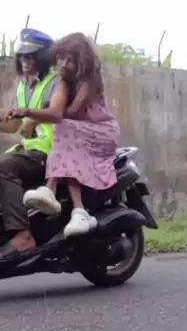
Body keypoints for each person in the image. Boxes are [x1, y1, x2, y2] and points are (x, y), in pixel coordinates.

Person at [22, 31, 120, 239]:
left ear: (81, 62)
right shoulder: (63, 80)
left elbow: (73, 111)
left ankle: (57, 193)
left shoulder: (90, 79)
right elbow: (57, 111)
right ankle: (74, 207)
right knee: (68, 144)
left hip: (100, 130)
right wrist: (48, 113)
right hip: (76, 132)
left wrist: (37, 116)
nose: (64, 64)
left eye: (70, 60)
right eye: (60, 58)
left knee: (64, 126)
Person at [0, 28, 61, 263]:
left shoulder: (55, 83)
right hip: (29, 149)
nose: (26, 60)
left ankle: (23, 235)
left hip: (51, 152)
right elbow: (15, 126)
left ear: (44, 58)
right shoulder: (24, 86)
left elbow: (58, 113)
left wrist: (35, 118)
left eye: (32, 56)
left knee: (5, 168)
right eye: (23, 56)